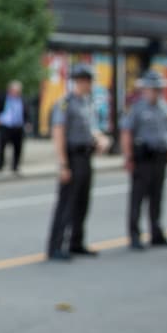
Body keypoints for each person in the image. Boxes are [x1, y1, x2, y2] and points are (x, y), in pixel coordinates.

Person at [45, 63, 109, 261]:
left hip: (86, 156)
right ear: (80, 81)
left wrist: (100, 139)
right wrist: (63, 164)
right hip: (72, 157)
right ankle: (56, 246)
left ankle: (76, 242)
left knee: (82, 202)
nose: (89, 84)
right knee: (66, 203)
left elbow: (92, 128)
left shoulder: (87, 103)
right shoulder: (65, 103)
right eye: (87, 81)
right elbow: (58, 133)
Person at [121, 70, 167, 250]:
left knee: (157, 196)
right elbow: (127, 133)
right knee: (138, 198)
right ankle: (135, 235)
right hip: (143, 158)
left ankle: (156, 233)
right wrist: (128, 156)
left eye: (157, 89)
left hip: (160, 157)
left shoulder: (166, 107)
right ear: (145, 89)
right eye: (151, 88)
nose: (154, 92)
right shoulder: (137, 108)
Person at [0, 79, 28, 174]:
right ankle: (0, 166)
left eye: (19, 91)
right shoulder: (2, 98)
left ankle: (15, 166)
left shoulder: (21, 99)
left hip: (18, 126)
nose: (17, 92)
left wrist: (27, 122)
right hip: (5, 125)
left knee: (18, 147)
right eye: (16, 90)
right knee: (1, 147)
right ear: (10, 90)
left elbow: (25, 112)